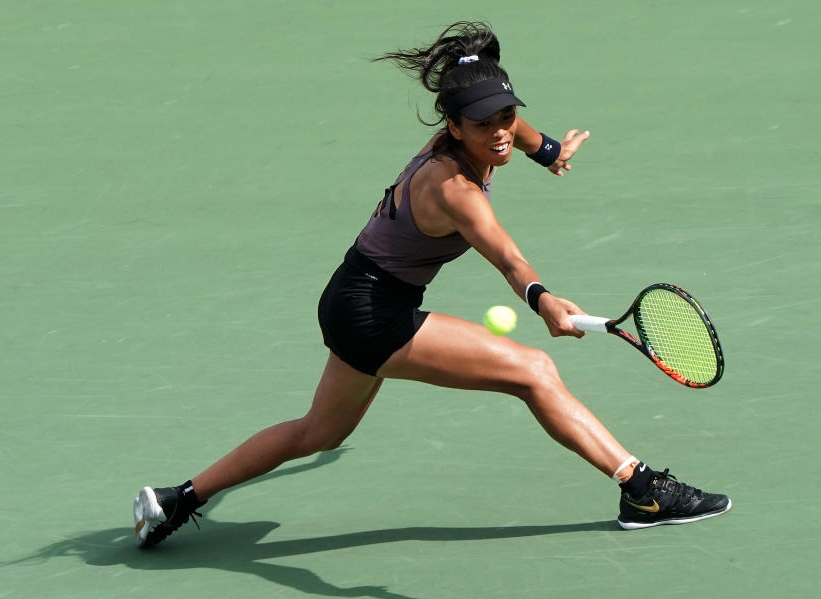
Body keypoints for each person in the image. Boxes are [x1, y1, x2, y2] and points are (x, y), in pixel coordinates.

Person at [133, 21, 730, 548]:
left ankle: (177, 498)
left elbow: (514, 133)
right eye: (484, 124)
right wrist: (542, 299)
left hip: (347, 295)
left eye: (505, 117)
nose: (500, 133)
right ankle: (642, 490)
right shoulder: (455, 191)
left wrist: (546, 150)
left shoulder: (476, 135)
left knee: (316, 433)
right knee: (534, 372)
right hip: (375, 312)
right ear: (453, 125)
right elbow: (506, 256)